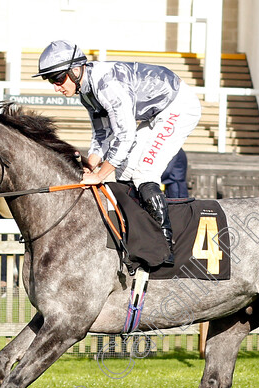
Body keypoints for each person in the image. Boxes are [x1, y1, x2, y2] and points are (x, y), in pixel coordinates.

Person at [35, 40, 202, 266]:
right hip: (155, 113)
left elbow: (124, 134)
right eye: (50, 80)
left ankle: (164, 248)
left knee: (145, 172)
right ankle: (138, 236)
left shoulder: (107, 85)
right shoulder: (86, 92)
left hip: (178, 106)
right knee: (124, 170)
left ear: (75, 71)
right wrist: (90, 164)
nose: (56, 86)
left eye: (57, 78)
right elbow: (102, 135)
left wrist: (100, 175)